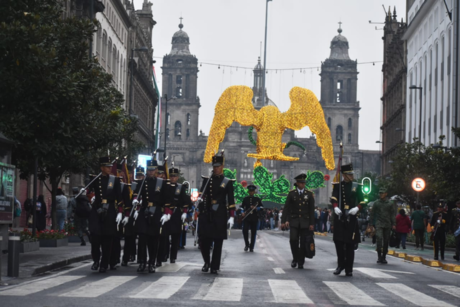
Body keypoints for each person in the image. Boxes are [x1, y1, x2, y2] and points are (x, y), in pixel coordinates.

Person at [198, 151, 235, 274]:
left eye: (218, 167)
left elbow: (230, 200)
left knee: (218, 242)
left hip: (219, 214)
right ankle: (206, 262)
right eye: (214, 167)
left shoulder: (227, 182)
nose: (216, 169)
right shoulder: (207, 180)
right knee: (204, 241)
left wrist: (231, 216)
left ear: (222, 167)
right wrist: (199, 199)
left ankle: (214, 266)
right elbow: (201, 194)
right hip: (207, 212)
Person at [88, 155, 122, 273]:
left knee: (108, 239)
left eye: (110, 166)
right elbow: (89, 192)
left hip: (110, 210)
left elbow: (120, 197)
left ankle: (104, 263)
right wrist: (87, 193)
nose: (110, 168)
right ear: (101, 168)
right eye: (107, 167)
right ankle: (96, 260)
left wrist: (120, 212)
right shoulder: (94, 179)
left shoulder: (115, 180)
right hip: (97, 209)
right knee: (95, 238)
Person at [330, 163, 365, 277]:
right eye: (349, 174)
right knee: (339, 243)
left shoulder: (356, 186)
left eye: (352, 174)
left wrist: (357, 208)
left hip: (351, 217)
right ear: (344, 175)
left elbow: (363, 200)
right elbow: (334, 197)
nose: (352, 176)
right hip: (340, 217)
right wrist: (335, 207)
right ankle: (340, 265)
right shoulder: (338, 186)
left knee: (350, 244)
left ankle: (349, 268)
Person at [132, 158, 167, 273]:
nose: (150, 172)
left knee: (154, 240)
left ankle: (152, 262)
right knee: (142, 238)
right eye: (149, 170)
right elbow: (136, 195)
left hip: (156, 211)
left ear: (156, 170)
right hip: (144, 210)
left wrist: (166, 213)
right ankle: (142, 262)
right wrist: (135, 201)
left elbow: (166, 200)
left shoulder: (161, 183)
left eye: (153, 170)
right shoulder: (142, 183)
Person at [281, 174, 315, 269]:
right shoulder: (292, 194)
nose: (302, 184)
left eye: (304, 183)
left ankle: (301, 261)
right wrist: (284, 221)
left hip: (305, 222)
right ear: (297, 183)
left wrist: (312, 223)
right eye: (301, 183)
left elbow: (311, 210)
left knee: (303, 242)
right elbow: (287, 208)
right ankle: (295, 258)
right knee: (293, 240)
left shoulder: (309, 194)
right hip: (294, 221)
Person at [163, 165, 189, 263]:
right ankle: (164, 254)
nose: (173, 177)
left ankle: (173, 256)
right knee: (165, 236)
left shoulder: (180, 187)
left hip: (177, 214)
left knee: (175, 237)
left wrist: (184, 212)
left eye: (174, 176)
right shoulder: (165, 186)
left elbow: (185, 201)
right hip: (166, 213)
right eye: (171, 176)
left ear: (177, 177)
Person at [121, 165, 143, 266]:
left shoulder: (144, 185)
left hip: (141, 214)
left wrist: (140, 207)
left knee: (142, 239)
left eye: (140, 176)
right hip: (130, 213)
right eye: (137, 176)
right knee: (129, 237)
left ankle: (140, 258)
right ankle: (126, 258)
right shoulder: (130, 186)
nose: (139, 178)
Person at [369, 187, 395, 265]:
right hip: (379, 223)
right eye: (380, 193)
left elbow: (393, 215)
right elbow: (372, 214)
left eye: (382, 193)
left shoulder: (390, 203)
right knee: (379, 239)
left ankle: (384, 257)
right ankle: (379, 256)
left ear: (386, 194)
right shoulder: (376, 203)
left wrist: (394, 224)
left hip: (387, 224)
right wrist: (371, 224)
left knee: (386, 241)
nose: (381, 194)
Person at [241, 184, 263, 252]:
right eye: (250, 191)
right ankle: (247, 244)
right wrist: (242, 212)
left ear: (254, 192)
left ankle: (251, 246)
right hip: (247, 217)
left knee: (253, 232)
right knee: (245, 230)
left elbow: (262, 207)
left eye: (252, 191)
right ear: (248, 191)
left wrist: (256, 208)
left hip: (254, 217)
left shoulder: (257, 199)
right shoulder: (245, 199)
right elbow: (242, 206)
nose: (251, 192)